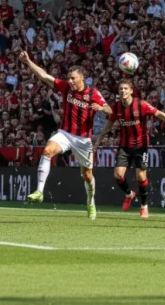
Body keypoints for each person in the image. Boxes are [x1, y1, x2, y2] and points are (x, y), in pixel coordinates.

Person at [19, 50, 110, 220]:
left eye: (73, 78)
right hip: (65, 134)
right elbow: (44, 76)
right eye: (68, 78)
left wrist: (101, 108)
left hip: (83, 140)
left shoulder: (93, 94)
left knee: (87, 175)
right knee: (47, 151)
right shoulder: (66, 88)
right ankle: (39, 191)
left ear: (81, 78)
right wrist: (28, 62)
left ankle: (91, 202)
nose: (69, 81)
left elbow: (110, 110)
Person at [94, 80, 165, 218]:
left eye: (126, 88)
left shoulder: (141, 104)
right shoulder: (117, 107)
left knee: (140, 176)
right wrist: (97, 142)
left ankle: (144, 206)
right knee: (118, 175)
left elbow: (160, 114)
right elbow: (108, 126)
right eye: (121, 89)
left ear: (131, 91)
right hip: (125, 146)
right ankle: (129, 194)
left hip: (141, 146)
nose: (123, 91)